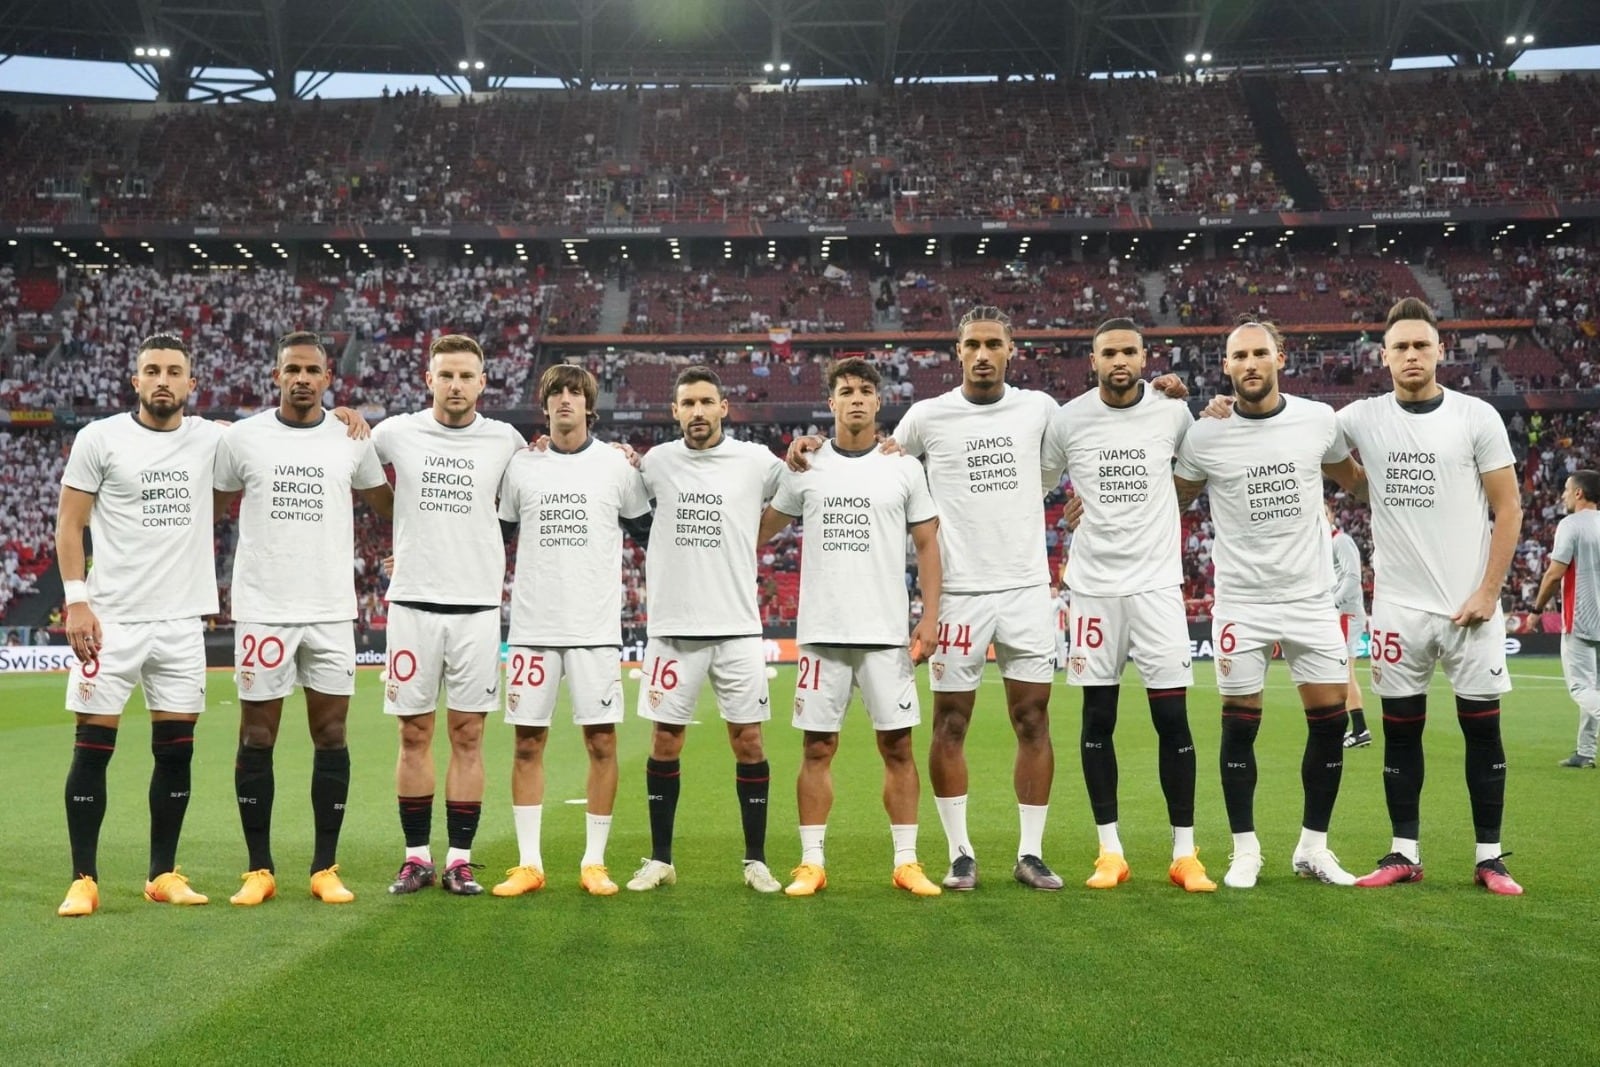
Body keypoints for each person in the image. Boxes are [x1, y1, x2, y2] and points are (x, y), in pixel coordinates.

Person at [1337, 298, 1524, 895]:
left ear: (1440, 350)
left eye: (1422, 345)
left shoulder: (1475, 417)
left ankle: (1489, 857)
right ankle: (1404, 851)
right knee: (1400, 732)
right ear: (1384, 355)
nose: (1412, 355)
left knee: (1483, 731)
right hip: (1399, 608)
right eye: (1401, 347)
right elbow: (1293, 431)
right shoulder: (1362, 417)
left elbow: (1509, 506)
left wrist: (1490, 591)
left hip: (1471, 607)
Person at [1173, 319, 1366, 889]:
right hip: (1242, 603)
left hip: (1311, 600)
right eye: (1240, 356)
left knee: (1330, 726)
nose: (1251, 363)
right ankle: (1245, 849)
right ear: (1226, 366)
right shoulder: (1205, 436)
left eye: (1261, 353)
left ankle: (1313, 847)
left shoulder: (1317, 421)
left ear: (1280, 357)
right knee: (1239, 730)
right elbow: (1172, 497)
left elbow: (1354, 480)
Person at [213, 332, 394, 907]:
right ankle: (258, 868)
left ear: (327, 379)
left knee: (332, 734)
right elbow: (210, 507)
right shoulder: (243, 438)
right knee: (256, 735)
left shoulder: (351, 437)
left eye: (311, 369)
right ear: (275, 375)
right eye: (291, 368)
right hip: (264, 609)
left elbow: (390, 507)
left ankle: (324, 867)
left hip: (331, 610)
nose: (301, 378)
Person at [756, 357, 944, 897]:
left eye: (865, 390)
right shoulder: (809, 466)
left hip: (887, 634)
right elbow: (763, 529)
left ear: (879, 402)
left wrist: (929, 618)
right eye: (845, 391)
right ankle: (811, 861)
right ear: (831, 403)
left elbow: (929, 545)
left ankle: (906, 861)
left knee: (899, 749)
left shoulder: (903, 467)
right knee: (817, 749)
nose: (856, 398)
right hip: (821, 634)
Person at [55, 334, 228, 916]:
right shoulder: (99, 438)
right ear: (135, 380)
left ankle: (162, 873)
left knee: (176, 752)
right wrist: (77, 601)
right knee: (92, 747)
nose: (162, 379)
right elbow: (69, 523)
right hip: (112, 619)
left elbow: (283, 434)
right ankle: (84, 877)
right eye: (151, 369)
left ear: (190, 383)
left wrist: (346, 418)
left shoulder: (211, 438)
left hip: (181, 623)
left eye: (173, 371)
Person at [1042, 317, 1214, 893]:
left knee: (1173, 719)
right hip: (1092, 590)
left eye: (1129, 352)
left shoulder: (1173, 412)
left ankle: (1185, 852)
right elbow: (1036, 481)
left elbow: (1192, 477)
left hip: (1158, 588)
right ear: (1092, 361)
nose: (1119, 361)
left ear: (1146, 359)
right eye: (1108, 353)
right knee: (1098, 720)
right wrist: (1070, 503)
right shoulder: (1067, 419)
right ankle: (1109, 850)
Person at [374, 334, 527, 897]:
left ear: (482, 382)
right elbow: (346, 462)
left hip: (477, 608)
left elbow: (552, 464)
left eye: (467, 376)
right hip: (412, 604)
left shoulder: (505, 440)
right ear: (429, 379)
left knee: (468, 734)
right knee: (414, 734)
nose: (456, 385)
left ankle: (459, 858)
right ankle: (416, 857)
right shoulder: (396, 432)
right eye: (447, 375)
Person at [493, 365, 652, 898]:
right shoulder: (522, 467)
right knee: (526, 744)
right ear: (544, 406)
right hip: (534, 628)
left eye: (574, 393)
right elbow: (496, 538)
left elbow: (651, 532)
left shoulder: (616, 466)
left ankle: (594, 861)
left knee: (602, 742)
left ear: (589, 406)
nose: (565, 400)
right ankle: (529, 863)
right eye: (556, 393)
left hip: (595, 630)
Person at [625, 366, 786, 894]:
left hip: (738, 627)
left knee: (749, 740)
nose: (697, 412)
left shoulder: (755, 461)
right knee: (665, 741)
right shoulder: (656, 462)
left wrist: (758, 532)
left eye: (705, 402)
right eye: (687, 404)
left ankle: (756, 860)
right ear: (675, 412)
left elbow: (805, 482)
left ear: (724, 408)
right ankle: (660, 858)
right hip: (672, 628)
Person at [1532, 469, 1600, 770]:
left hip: (1582, 618)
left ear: (1579, 493)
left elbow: (1555, 572)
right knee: (1594, 688)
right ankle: (1585, 752)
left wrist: (1536, 610)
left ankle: (1585, 752)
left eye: (1565, 489)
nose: (1561, 494)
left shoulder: (1571, 525)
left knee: (1580, 688)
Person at [1327, 500, 1373, 749]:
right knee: (1338, 671)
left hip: (1346, 613)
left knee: (1345, 671)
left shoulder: (1340, 541)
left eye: (1323, 513)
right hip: (1339, 612)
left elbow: (1353, 576)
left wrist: (1333, 603)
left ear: (1331, 515)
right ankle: (1352, 728)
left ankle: (1360, 729)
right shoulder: (1324, 545)